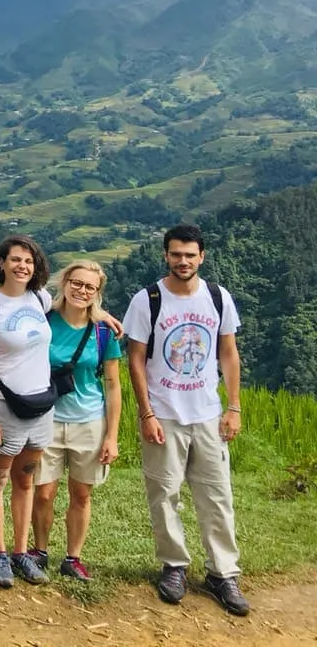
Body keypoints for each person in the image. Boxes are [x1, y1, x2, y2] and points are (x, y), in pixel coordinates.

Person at [123, 224, 249, 616]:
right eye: (176, 254)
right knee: (164, 495)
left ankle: (223, 572)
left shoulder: (217, 297)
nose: (183, 261)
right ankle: (174, 565)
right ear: (166, 255)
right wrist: (146, 413)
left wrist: (233, 406)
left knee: (217, 496)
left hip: (208, 413)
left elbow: (228, 353)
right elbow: (136, 360)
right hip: (165, 413)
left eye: (190, 255)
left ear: (202, 257)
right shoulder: (148, 300)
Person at [0, 235, 56, 589]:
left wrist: (104, 315)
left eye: (29, 261)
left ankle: (21, 553)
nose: (22, 266)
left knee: (26, 478)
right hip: (2, 405)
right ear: (1, 263)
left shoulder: (41, 298)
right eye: (15, 259)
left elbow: (79, 308)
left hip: (40, 405)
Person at [30, 260, 121, 582]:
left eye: (89, 287)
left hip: (89, 421)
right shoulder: (44, 321)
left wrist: (112, 436)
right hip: (48, 419)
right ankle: (38, 551)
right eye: (77, 283)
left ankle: (73, 556)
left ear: (98, 293)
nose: (82, 291)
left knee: (82, 494)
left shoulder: (102, 332)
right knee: (43, 492)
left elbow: (112, 384)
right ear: (64, 283)